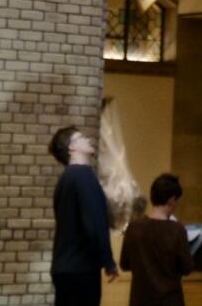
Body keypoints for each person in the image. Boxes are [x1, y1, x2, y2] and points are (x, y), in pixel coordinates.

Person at [48, 125, 118, 306]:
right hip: (81, 270)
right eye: (81, 137)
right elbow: (95, 223)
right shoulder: (83, 175)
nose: (88, 139)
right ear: (71, 147)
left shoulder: (65, 180)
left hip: (64, 267)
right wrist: (108, 261)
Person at [118, 173, 195, 306]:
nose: (177, 205)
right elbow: (187, 268)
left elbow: (124, 264)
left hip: (140, 300)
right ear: (171, 200)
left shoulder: (133, 227)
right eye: (177, 201)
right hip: (169, 300)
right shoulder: (177, 230)